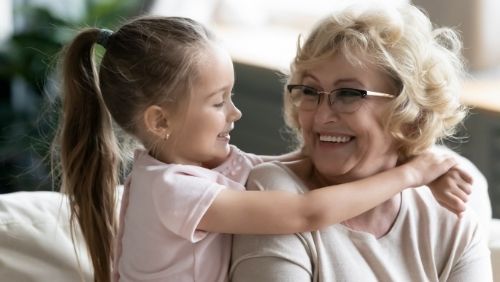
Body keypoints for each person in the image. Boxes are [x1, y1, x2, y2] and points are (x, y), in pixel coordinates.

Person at [53, 15, 471, 282]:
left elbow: (297, 161)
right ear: (160, 121)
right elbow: (306, 212)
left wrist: (413, 158)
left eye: (231, 97)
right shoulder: (174, 192)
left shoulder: (197, 171)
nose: (235, 114)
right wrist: (412, 173)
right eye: (219, 102)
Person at [230, 2, 493, 281]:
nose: (321, 116)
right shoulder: (275, 192)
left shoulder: (447, 209)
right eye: (310, 91)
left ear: (409, 112)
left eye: (348, 94)